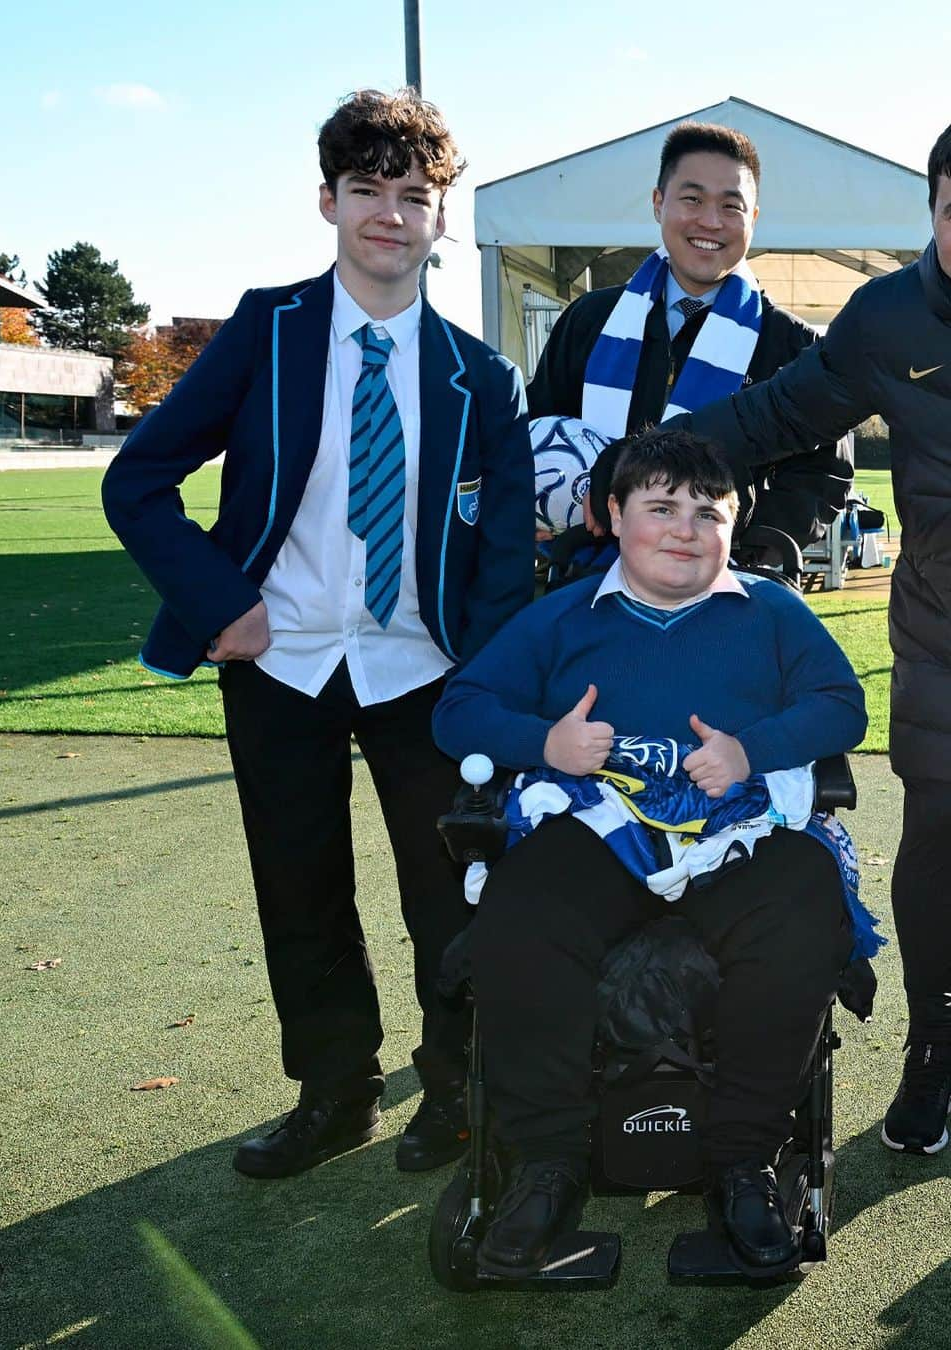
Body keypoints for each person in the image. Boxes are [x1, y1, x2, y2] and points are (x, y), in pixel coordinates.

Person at [102, 88, 534, 1180]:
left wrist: (479, 677)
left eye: (413, 196)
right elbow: (139, 478)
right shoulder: (269, 328)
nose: (390, 215)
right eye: (367, 193)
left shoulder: (480, 376)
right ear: (328, 200)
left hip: (421, 675)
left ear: (444, 216)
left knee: (451, 898)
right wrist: (221, 604)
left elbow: (504, 554)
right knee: (299, 890)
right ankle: (335, 1092)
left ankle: (457, 1092)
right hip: (280, 660)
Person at [433, 428, 867, 1277]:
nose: (684, 529)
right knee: (521, 915)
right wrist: (544, 743)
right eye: (660, 508)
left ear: (734, 528)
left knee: (806, 902)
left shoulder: (774, 612)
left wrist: (753, 748)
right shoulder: (558, 617)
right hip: (601, 824)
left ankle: (743, 1162)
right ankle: (548, 1166)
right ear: (612, 517)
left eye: (708, 513)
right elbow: (459, 709)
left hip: (733, 828)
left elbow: (840, 706)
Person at [675, 121, 951, 1157]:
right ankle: (936, 1046)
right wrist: (645, 471)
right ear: (931, 211)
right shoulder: (887, 321)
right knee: (939, 850)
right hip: (943, 638)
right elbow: (768, 420)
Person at [527, 120, 852, 552]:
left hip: (723, 584)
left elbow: (824, 475)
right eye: (692, 199)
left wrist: (744, 548)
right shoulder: (590, 320)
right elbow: (537, 428)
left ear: (753, 219)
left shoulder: (793, 345)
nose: (710, 222)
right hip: (593, 576)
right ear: (658, 203)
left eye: (731, 206)